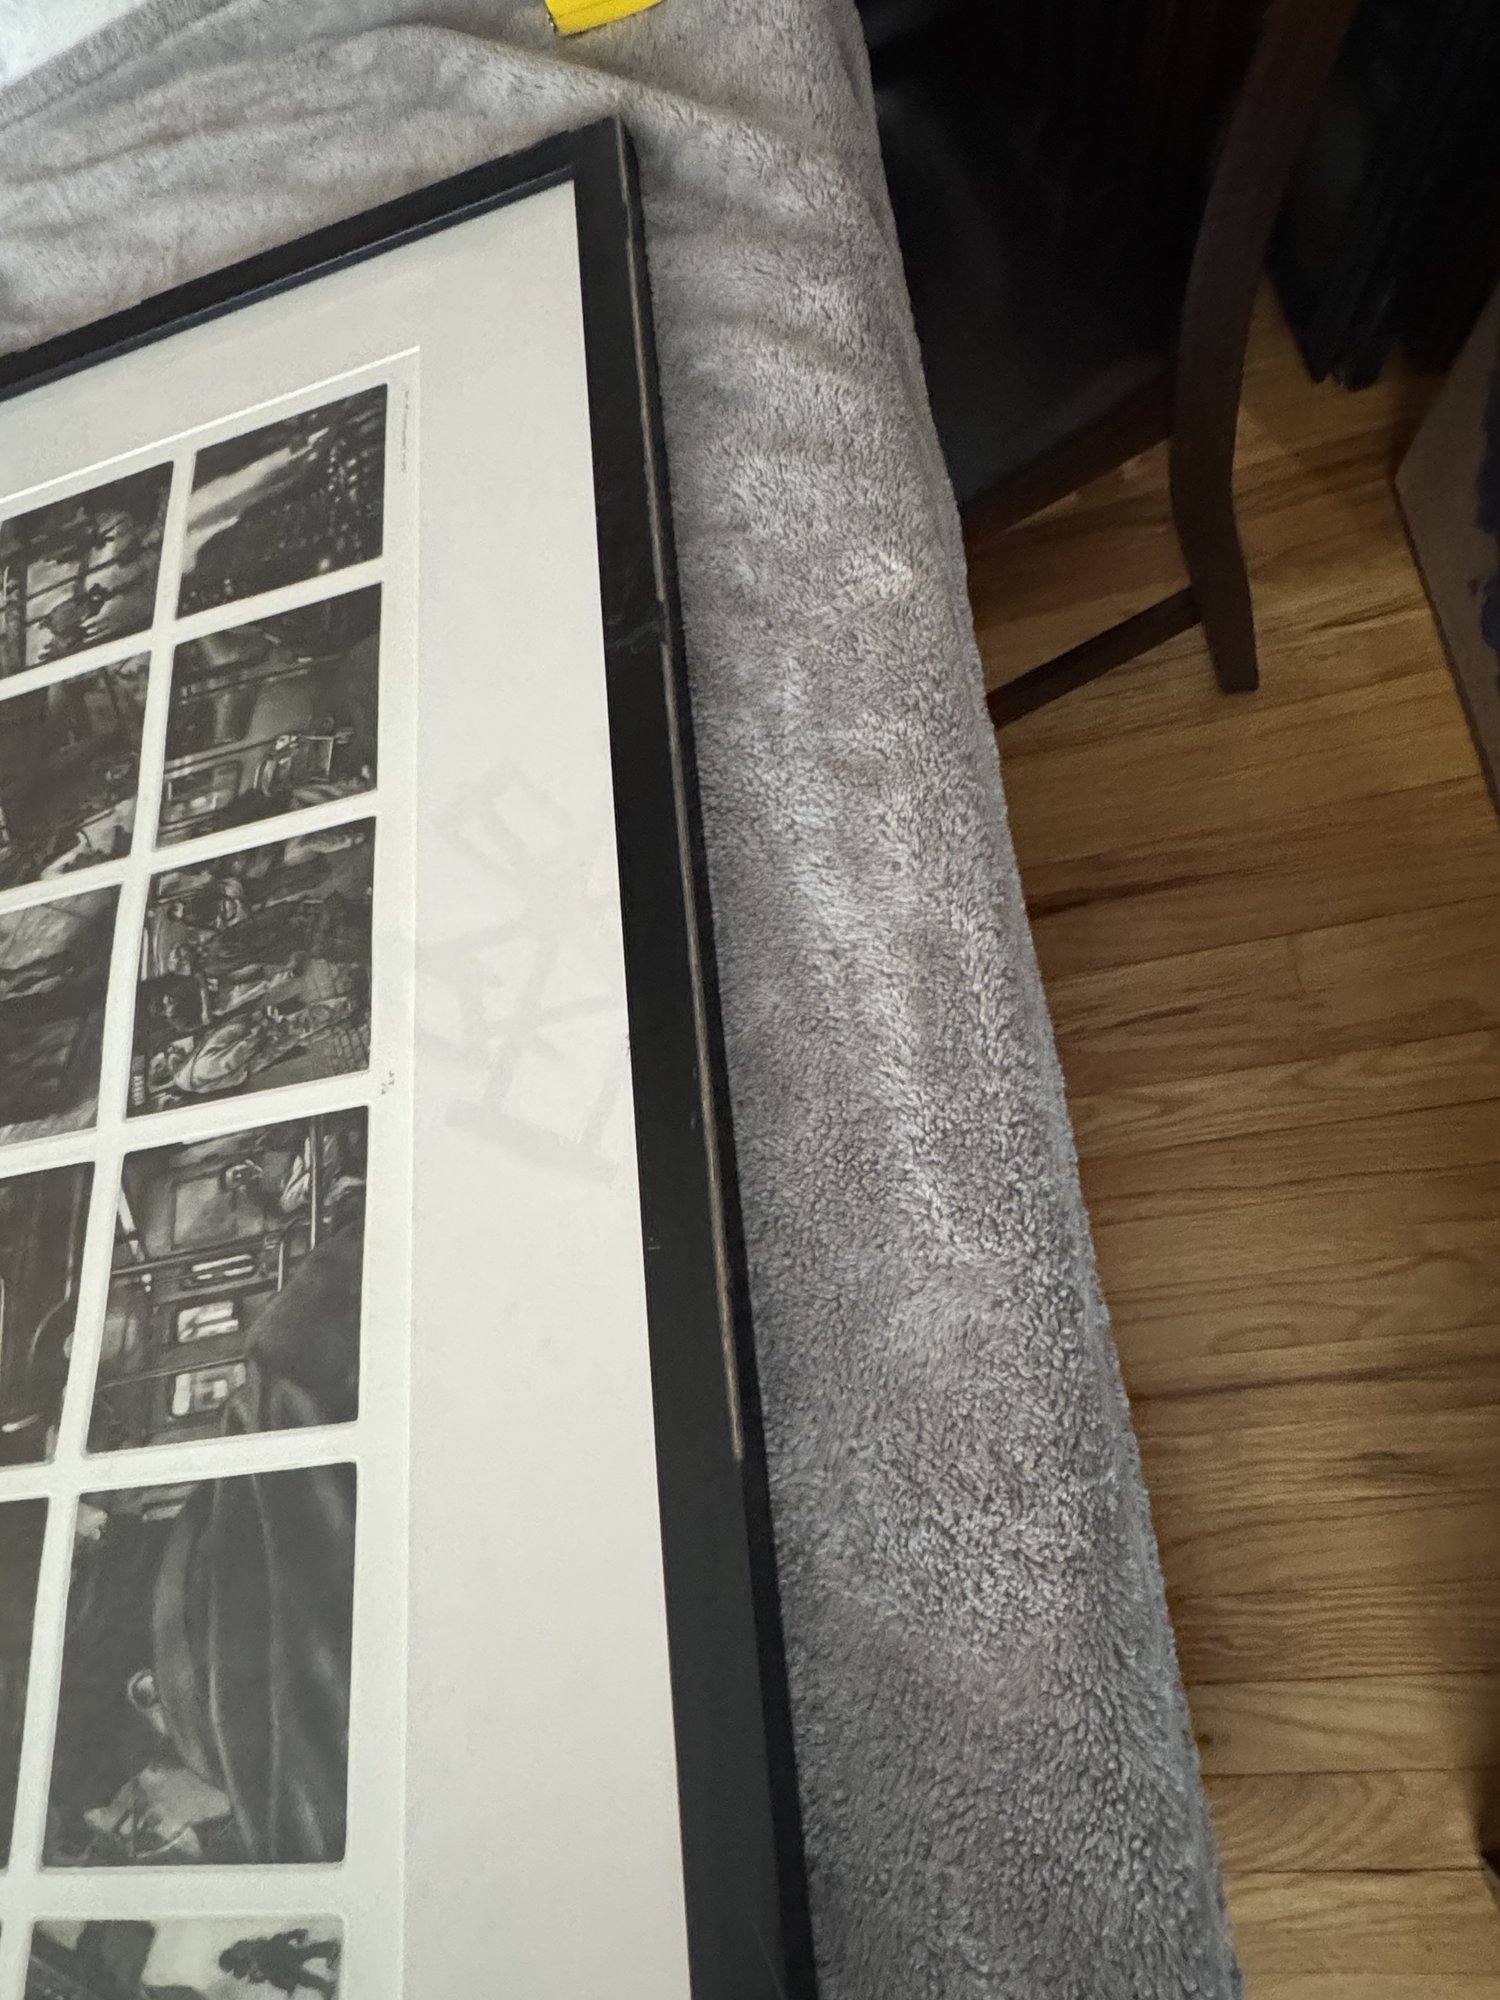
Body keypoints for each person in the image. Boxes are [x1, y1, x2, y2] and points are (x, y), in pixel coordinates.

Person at [218, 1928, 340, 1995]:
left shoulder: (246, 1953)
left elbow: (266, 1946)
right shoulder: (243, 1960)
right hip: (277, 1961)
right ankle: (328, 1951)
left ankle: (329, 1951)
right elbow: (259, 1971)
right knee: (301, 1963)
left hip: (279, 1957)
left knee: (301, 1967)